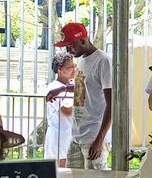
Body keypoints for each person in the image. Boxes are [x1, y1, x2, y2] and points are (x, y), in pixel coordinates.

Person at [48, 22, 112, 169]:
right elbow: (83, 87)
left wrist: (99, 139)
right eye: (65, 46)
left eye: (70, 45)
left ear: (83, 40)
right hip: (77, 135)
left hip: (94, 136)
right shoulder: (82, 60)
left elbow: (112, 102)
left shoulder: (103, 62)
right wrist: (61, 90)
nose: (67, 50)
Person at [45, 52, 75, 167]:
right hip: (59, 135)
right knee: (60, 169)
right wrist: (81, 108)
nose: (73, 70)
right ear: (59, 69)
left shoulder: (72, 84)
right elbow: (66, 111)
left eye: (74, 66)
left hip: (69, 133)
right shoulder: (54, 87)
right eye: (69, 67)